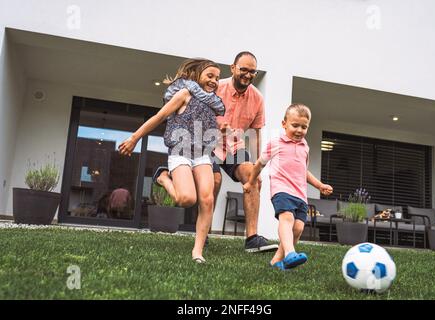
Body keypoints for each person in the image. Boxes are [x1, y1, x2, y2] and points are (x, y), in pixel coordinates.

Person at [119, 58, 225, 264]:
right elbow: (159, 117)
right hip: (180, 151)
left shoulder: (212, 105)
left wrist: (221, 131)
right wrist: (134, 138)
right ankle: (164, 179)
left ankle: (197, 251)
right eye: (210, 76)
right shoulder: (184, 94)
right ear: (197, 75)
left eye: (217, 78)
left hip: (202, 154)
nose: (214, 81)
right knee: (186, 199)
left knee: (208, 199)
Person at [243, 104, 333, 270]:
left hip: (300, 194)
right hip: (281, 190)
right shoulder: (276, 143)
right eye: (295, 125)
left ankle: (277, 261)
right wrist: (250, 181)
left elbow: (303, 171)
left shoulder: (304, 146)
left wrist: (319, 185)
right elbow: (259, 165)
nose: (299, 130)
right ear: (284, 124)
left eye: (304, 127)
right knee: (287, 219)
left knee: (298, 229)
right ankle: (290, 253)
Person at [212, 51, 277, 253]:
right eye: (243, 69)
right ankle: (202, 232)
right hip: (207, 142)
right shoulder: (216, 88)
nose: (247, 75)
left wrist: (258, 168)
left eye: (252, 72)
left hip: (234, 146)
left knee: (253, 179)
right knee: (214, 180)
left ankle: (252, 239)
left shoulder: (257, 98)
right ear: (233, 68)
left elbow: (256, 135)